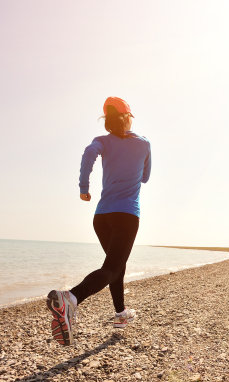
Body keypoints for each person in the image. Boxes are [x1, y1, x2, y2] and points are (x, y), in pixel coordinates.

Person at [47, 96, 151, 346]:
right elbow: (145, 178)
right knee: (113, 267)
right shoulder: (143, 144)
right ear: (128, 117)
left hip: (102, 217)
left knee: (115, 265)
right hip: (126, 215)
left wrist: (84, 187)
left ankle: (120, 314)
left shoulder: (101, 141)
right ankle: (70, 298)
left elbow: (88, 154)